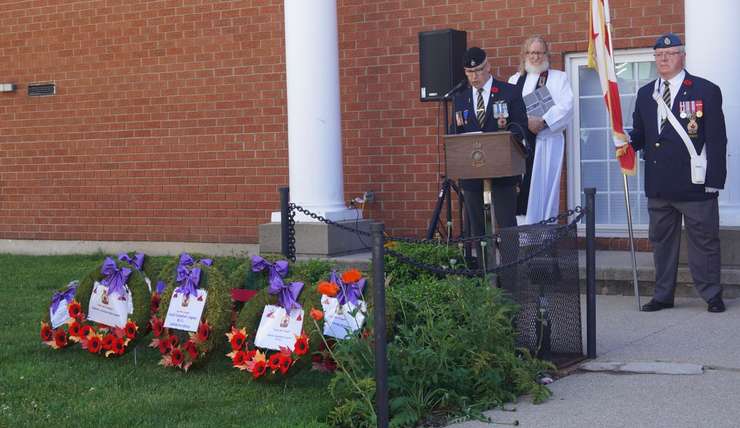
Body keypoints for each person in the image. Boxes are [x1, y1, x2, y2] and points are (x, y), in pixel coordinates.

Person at [629, 33, 727, 313]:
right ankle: (662, 295)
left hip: (695, 183)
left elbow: (717, 139)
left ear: (682, 56)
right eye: (658, 55)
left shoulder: (705, 90)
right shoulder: (646, 94)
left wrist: (714, 181)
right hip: (659, 184)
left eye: (670, 54)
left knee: (705, 243)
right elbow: (641, 134)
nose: (663, 59)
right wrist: (626, 142)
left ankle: (711, 294)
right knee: (661, 243)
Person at [452, 47, 528, 249]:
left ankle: (510, 277)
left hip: (503, 172)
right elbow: (456, 134)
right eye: (469, 72)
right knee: (475, 229)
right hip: (472, 172)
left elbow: (520, 127)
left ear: (488, 67)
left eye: (478, 71)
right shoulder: (460, 98)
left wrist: (504, 135)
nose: (474, 76)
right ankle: (482, 274)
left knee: (507, 227)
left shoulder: (509, 92)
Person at [508, 36, 574, 225]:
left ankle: (543, 238)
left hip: (546, 144)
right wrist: (525, 122)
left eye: (539, 52)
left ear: (546, 54)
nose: (535, 57)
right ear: (524, 55)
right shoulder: (514, 80)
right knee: (521, 189)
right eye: (531, 52)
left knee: (544, 190)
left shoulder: (558, 78)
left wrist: (543, 121)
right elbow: (508, 108)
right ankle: (522, 238)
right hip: (521, 146)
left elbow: (567, 106)